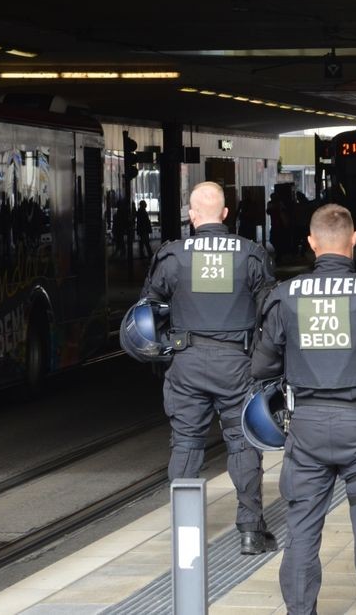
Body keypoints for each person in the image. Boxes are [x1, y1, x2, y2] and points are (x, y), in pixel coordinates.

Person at [252, 204, 356, 615]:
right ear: (354, 239)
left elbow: (260, 367)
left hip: (305, 430)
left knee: (302, 533)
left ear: (311, 243)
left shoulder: (284, 297)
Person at [138, 181, 278, 554]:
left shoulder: (173, 256)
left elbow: (147, 312)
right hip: (236, 363)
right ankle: (250, 530)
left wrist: (164, 347)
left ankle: (185, 532)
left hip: (187, 363)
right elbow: (272, 314)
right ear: (227, 214)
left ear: (191, 214)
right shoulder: (250, 254)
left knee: (185, 443)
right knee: (243, 443)